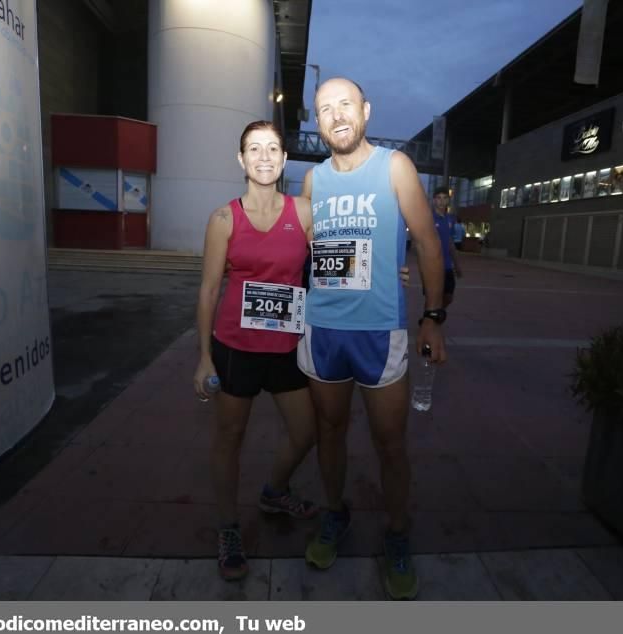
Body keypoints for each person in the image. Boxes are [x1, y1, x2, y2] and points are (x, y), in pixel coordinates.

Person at [298, 77, 447, 600]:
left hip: (380, 334)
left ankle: (397, 532)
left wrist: (432, 316)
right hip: (323, 330)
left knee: (390, 443)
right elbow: (317, 254)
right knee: (330, 430)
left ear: (365, 110)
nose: (335, 116)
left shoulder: (395, 167)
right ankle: (335, 513)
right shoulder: (313, 181)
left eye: (344, 105)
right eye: (323, 109)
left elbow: (428, 243)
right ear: (317, 123)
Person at [193, 121, 319, 582]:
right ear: (241, 159)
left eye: (272, 148)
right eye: (254, 149)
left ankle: (274, 490)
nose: (264, 156)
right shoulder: (223, 219)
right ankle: (227, 528)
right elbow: (208, 291)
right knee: (230, 440)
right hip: (235, 349)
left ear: (284, 159)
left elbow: (337, 266)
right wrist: (204, 357)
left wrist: (386, 272)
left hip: (288, 346)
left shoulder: (304, 212)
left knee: (307, 432)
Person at [429, 186, 463, 307]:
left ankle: (438, 312)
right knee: (432, 298)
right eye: (438, 198)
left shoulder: (451, 219)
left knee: (448, 297)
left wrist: (457, 265)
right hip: (432, 266)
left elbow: (450, 243)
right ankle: (428, 319)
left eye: (444, 198)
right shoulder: (428, 218)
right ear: (434, 200)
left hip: (447, 266)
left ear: (448, 200)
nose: (441, 201)